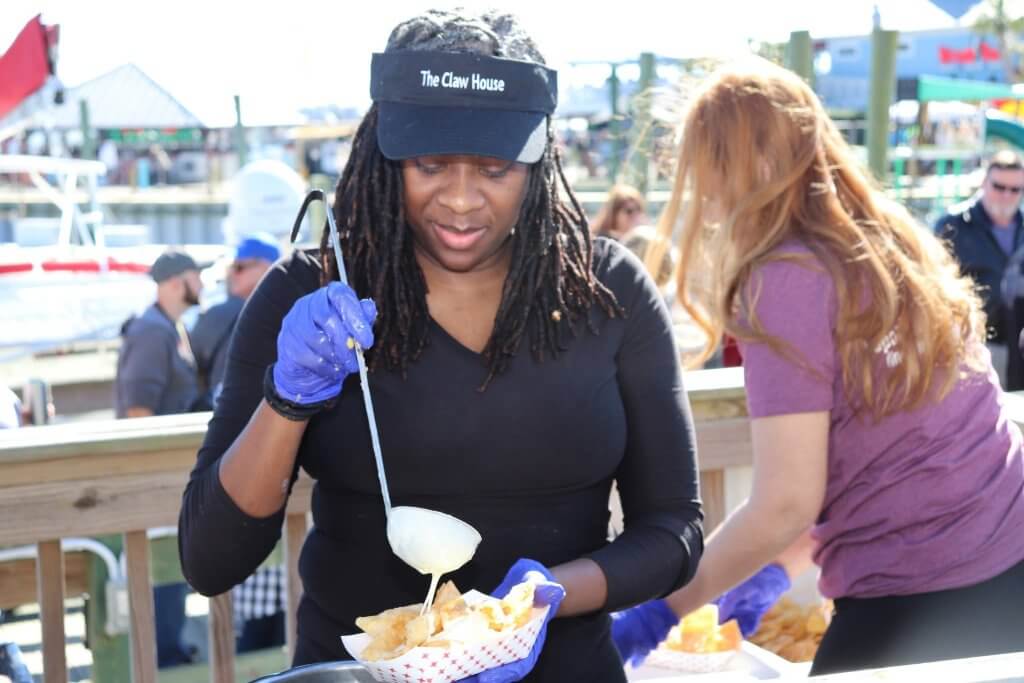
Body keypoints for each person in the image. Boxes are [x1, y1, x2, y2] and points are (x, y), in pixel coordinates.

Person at [178, 9, 703, 681]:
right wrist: (287, 399)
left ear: (538, 161)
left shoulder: (610, 292)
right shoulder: (307, 292)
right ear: (385, 156)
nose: (460, 200)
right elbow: (210, 558)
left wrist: (542, 597)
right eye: (430, 164)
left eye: (494, 168)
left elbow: (674, 532)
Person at [616, 59, 1024, 676]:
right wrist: (778, 569)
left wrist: (660, 611)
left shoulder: (783, 275)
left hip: (921, 593)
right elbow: (890, 449)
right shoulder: (891, 240)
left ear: (733, 166)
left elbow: (785, 501)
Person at [115, 248, 206, 668]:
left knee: (171, 570)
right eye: (195, 277)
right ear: (175, 282)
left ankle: (166, 652)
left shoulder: (170, 327)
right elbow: (137, 413)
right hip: (153, 481)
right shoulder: (153, 332)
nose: (202, 284)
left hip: (172, 478)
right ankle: (161, 659)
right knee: (160, 570)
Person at [935, 149, 1024, 389]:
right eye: (999, 187)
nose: (1006, 195)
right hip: (974, 341)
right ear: (984, 183)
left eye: (1015, 189)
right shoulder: (954, 225)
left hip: (1018, 340)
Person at [192, 233, 282, 409]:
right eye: (230, 268)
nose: (231, 274)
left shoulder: (218, 315)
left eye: (239, 267)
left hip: (228, 418)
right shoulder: (295, 312)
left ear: (266, 268)